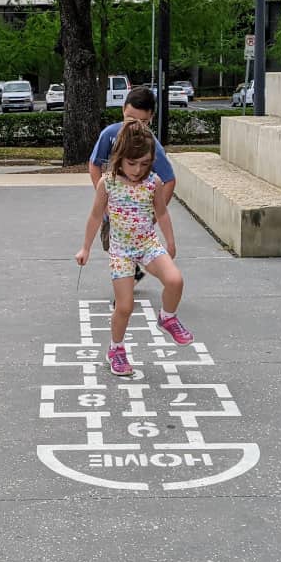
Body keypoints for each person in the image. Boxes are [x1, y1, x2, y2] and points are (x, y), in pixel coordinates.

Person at [76, 120, 194, 377]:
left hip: (148, 244)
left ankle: (168, 317)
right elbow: (95, 217)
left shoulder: (153, 182)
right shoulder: (108, 184)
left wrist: (170, 242)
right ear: (119, 157)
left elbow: (162, 213)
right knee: (125, 306)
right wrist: (85, 248)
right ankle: (116, 349)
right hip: (121, 251)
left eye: (144, 163)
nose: (138, 170)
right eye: (132, 163)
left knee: (175, 280)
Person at [88, 86, 176, 285]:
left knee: (133, 250)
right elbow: (94, 165)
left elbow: (169, 179)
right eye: (130, 119)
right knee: (110, 244)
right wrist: (104, 198)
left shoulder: (150, 144)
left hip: (139, 218)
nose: (135, 127)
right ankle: (131, 273)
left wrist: (155, 213)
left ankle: (130, 277)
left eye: (142, 122)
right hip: (114, 211)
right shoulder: (110, 134)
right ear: (122, 110)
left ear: (151, 118)